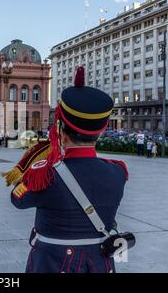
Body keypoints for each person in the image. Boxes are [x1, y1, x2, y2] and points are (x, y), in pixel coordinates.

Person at [10, 67, 128, 273]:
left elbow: (17, 199)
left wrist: (41, 162)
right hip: (100, 264)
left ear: (61, 133)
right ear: (100, 132)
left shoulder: (46, 175)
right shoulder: (118, 172)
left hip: (54, 264)